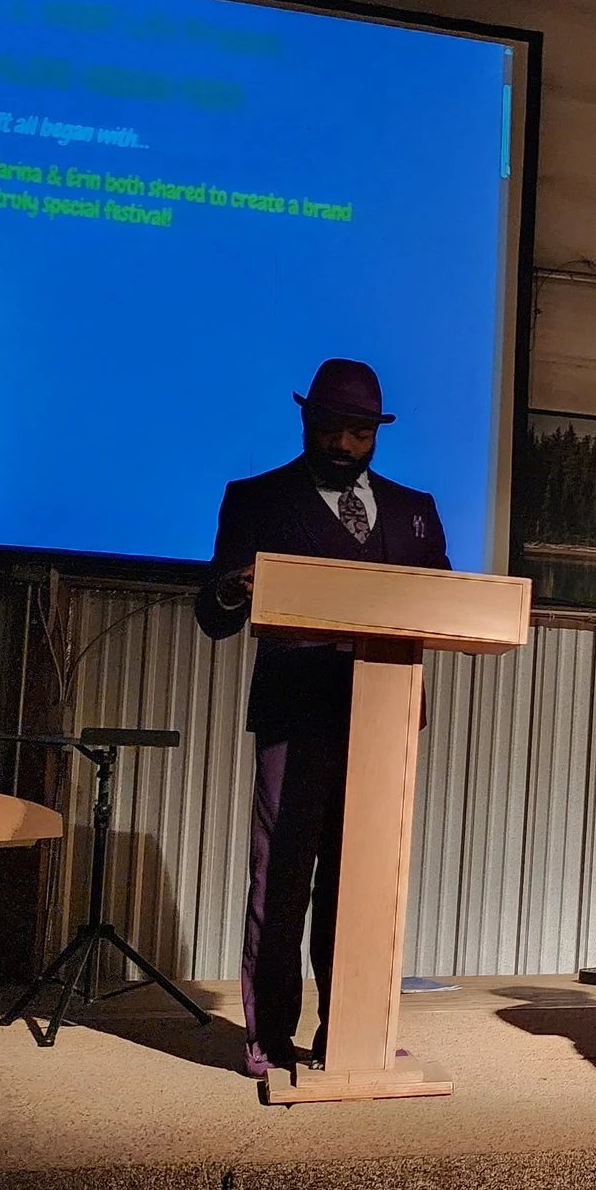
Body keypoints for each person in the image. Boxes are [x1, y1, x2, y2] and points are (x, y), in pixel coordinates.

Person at [195, 359, 452, 1078]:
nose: (343, 442)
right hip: (295, 715)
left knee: (364, 883)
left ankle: (353, 1032)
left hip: (385, 719)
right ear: (305, 420)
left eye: (359, 431)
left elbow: (443, 602)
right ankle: (269, 1037)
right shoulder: (258, 499)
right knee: (282, 882)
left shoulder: (414, 509)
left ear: (377, 433)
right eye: (330, 427)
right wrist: (230, 592)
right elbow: (213, 613)